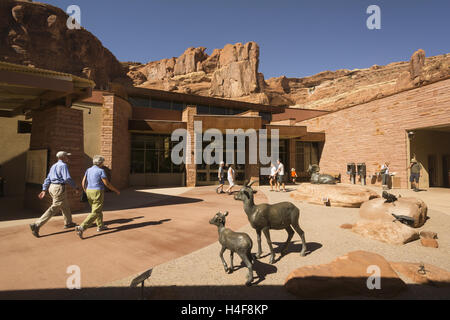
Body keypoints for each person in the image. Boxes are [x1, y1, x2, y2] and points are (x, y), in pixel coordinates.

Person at [29, 151, 80, 238]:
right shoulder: (63, 165)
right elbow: (67, 178)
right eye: (66, 156)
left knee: (65, 205)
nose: (68, 157)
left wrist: (44, 189)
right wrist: (75, 187)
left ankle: (68, 222)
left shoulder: (54, 166)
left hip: (52, 187)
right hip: (59, 188)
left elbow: (48, 178)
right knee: (55, 207)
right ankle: (37, 225)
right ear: (62, 157)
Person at [75, 156, 120, 239]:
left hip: (89, 191)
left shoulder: (88, 170)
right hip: (97, 192)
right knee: (95, 211)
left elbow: (83, 181)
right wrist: (116, 190)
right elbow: (107, 184)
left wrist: (85, 190)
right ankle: (82, 227)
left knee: (96, 209)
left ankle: (100, 226)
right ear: (100, 163)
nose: (103, 163)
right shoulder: (101, 171)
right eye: (103, 162)